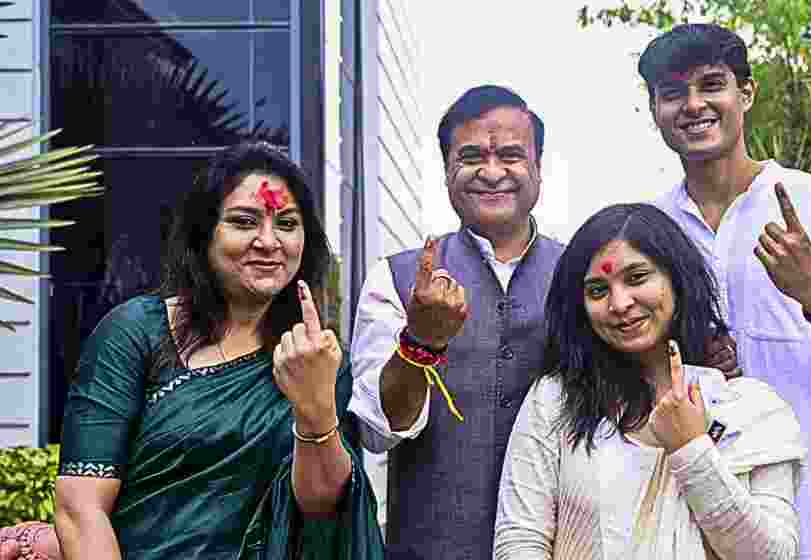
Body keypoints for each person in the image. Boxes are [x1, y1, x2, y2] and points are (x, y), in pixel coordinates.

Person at [43, 142, 384, 560]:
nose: (268, 241)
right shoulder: (136, 333)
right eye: (244, 222)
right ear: (203, 235)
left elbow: (321, 509)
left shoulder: (315, 357)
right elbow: (81, 508)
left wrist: (315, 408)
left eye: (287, 223)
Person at [641, 23, 811, 559]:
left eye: (711, 85)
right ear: (654, 108)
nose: (693, 105)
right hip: (688, 524)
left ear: (747, 92)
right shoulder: (649, 228)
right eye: (672, 93)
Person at [494, 203, 806, 559]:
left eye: (637, 278)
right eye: (597, 290)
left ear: (677, 278)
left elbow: (773, 556)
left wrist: (691, 449)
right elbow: (519, 541)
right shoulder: (556, 401)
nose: (620, 303)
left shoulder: (748, 409)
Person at [347, 85, 565, 559]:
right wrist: (418, 342)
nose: (491, 172)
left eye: (510, 155)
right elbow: (377, 432)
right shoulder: (396, 277)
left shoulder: (582, 276)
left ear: (538, 168)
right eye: (470, 157)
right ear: (447, 170)